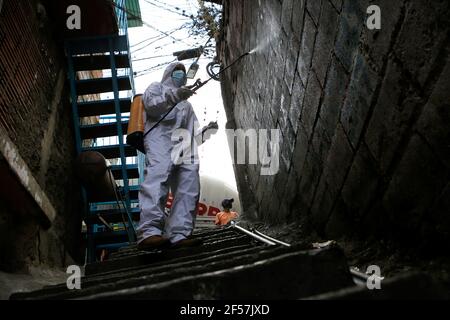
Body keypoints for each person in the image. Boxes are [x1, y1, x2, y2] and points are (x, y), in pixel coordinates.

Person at [137, 62, 217, 250]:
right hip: (160, 141)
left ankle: (179, 234)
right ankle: (149, 232)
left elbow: (193, 132)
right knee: (158, 179)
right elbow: (152, 105)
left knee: (189, 185)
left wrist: (206, 132)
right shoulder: (156, 87)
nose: (180, 74)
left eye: (182, 72)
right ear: (169, 73)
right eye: (176, 71)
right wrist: (175, 95)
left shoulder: (186, 105)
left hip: (184, 145)